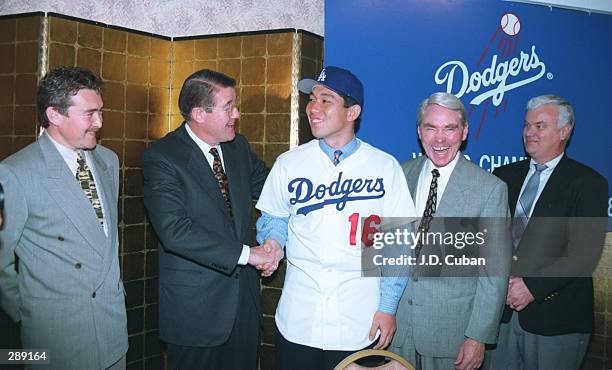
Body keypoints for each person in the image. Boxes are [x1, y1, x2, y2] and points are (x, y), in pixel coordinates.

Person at [255, 66, 417, 370]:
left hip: (359, 319)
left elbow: (397, 246)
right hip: (298, 318)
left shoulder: (384, 167)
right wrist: (273, 243)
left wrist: (387, 307)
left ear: (352, 111)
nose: (313, 108)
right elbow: (273, 218)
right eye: (312, 98)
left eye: (326, 100)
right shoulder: (289, 163)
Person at [141, 69, 270, 370]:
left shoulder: (237, 146)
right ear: (199, 113)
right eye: (229, 107)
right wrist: (249, 255)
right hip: (196, 314)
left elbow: (272, 187)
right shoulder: (162, 157)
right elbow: (175, 231)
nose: (237, 113)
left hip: (244, 308)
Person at [0, 67, 128, 369]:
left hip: (113, 333)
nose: (100, 122)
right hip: (57, 340)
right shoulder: (14, 173)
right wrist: (31, 312)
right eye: (90, 114)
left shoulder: (109, 161)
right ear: (54, 115)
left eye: (101, 111)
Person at [484, 95, 608, 369]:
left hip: (557, 320)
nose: (529, 132)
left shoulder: (588, 183)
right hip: (500, 315)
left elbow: (584, 254)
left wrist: (531, 287)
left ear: (565, 131)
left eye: (540, 126)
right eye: (527, 125)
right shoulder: (503, 176)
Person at [390, 92, 510, 370]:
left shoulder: (489, 189)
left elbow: (495, 273)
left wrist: (478, 336)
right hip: (397, 328)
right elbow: (384, 251)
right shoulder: (399, 174)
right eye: (431, 128)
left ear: (464, 132)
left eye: (450, 128)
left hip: (452, 336)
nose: (440, 139)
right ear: (420, 132)